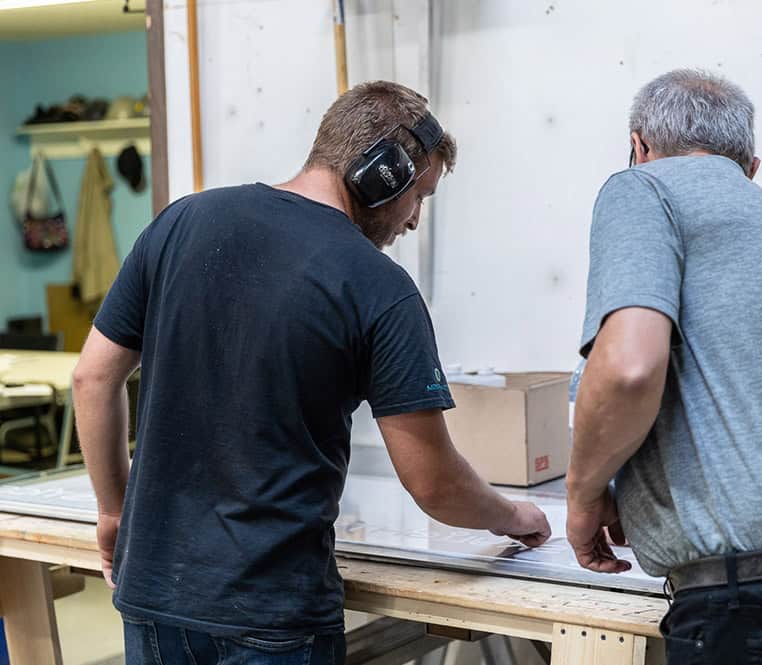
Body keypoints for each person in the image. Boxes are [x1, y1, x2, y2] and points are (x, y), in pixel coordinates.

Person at [73, 80, 551, 665]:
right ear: (382, 176)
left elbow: (93, 378)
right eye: (418, 196)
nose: (414, 221)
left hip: (152, 598)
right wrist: (514, 516)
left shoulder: (181, 223)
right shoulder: (377, 285)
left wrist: (115, 511)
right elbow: (435, 483)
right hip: (270, 613)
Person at [565, 69, 762, 664]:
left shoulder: (643, 189)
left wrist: (584, 495)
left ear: (639, 146)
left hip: (750, 602)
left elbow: (629, 368)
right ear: (751, 167)